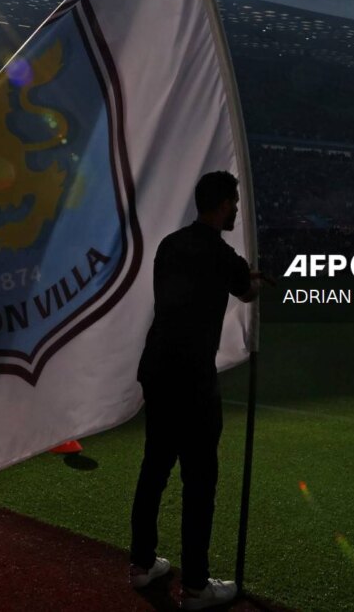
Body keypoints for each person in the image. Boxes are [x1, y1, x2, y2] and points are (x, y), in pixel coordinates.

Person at [129, 170, 265, 610]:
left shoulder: (171, 245)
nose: (237, 210)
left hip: (157, 369)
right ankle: (195, 587)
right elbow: (246, 292)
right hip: (192, 379)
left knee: (154, 470)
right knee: (199, 481)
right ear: (223, 204)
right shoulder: (222, 256)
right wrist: (257, 280)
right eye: (235, 203)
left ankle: (143, 564)